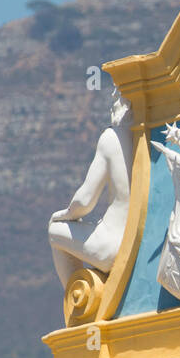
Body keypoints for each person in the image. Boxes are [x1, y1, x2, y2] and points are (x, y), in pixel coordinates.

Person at [48, 90, 134, 285]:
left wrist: (65, 214)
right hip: (140, 245)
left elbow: (85, 200)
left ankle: (76, 298)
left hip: (111, 246)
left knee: (54, 229)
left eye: (116, 98)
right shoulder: (148, 139)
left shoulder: (113, 137)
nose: (112, 104)